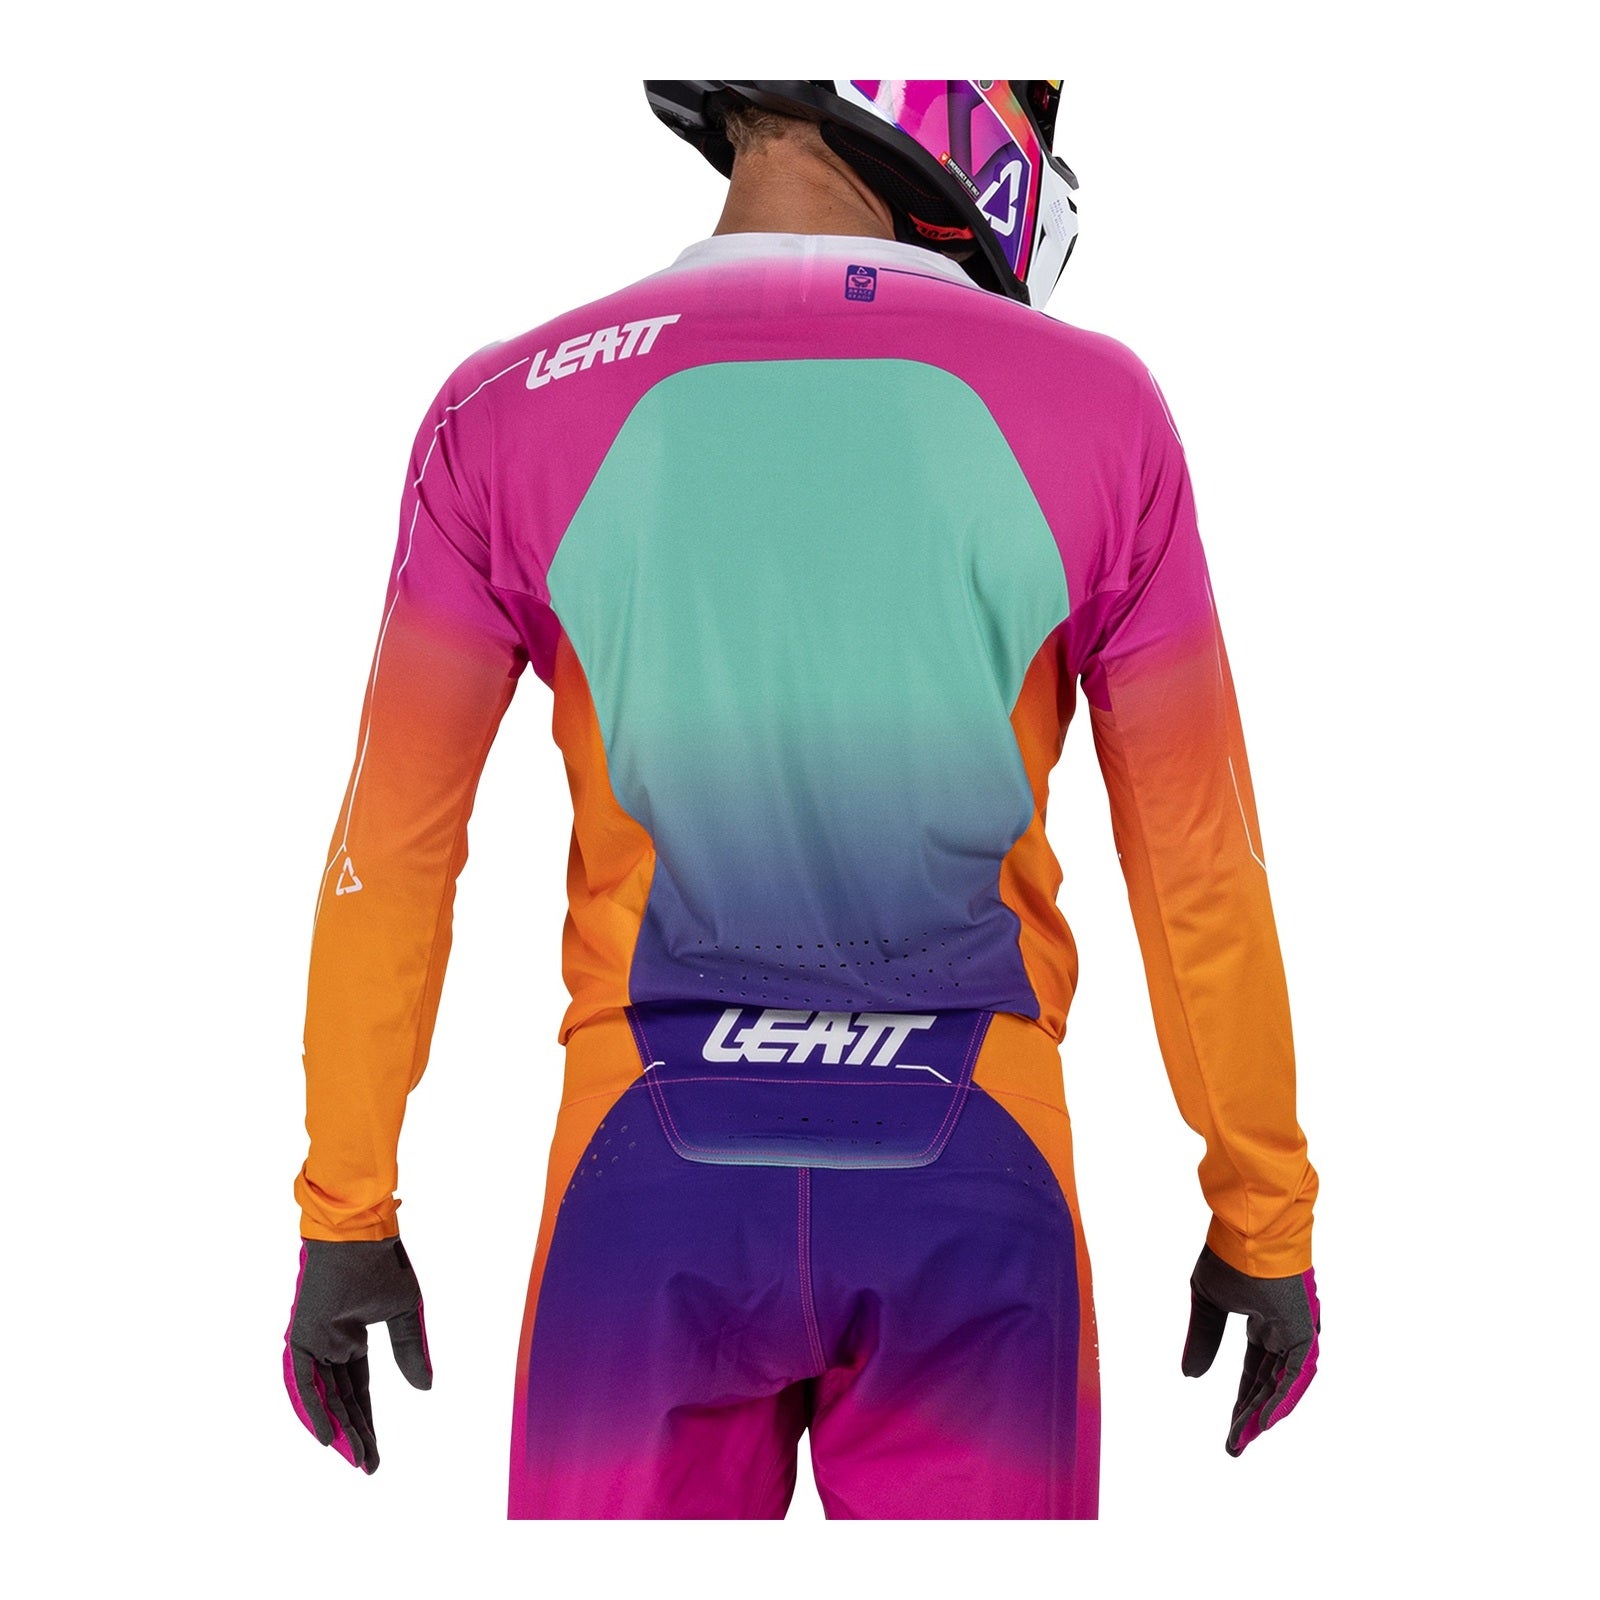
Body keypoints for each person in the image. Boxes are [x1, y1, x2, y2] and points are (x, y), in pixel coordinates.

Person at [282, 79, 1320, 1520]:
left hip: (641, 1177)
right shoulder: (1099, 411)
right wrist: (1263, 1214)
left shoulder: (505, 409)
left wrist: (346, 1209)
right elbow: (1197, 858)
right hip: (977, 1166)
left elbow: (392, 848)